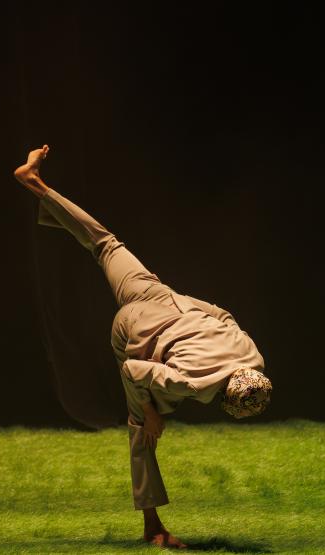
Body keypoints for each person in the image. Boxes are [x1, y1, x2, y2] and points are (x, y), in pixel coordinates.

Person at [14, 145, 272, 548]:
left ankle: (36, 185)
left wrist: (185, 308)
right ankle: (153, 527)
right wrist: (150, 412)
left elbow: (222, 315)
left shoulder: (253, 355)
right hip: (133, 329)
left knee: (104, 243)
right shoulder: (188, 382)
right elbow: (132, 371)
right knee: (141, 431)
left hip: (162, 298)